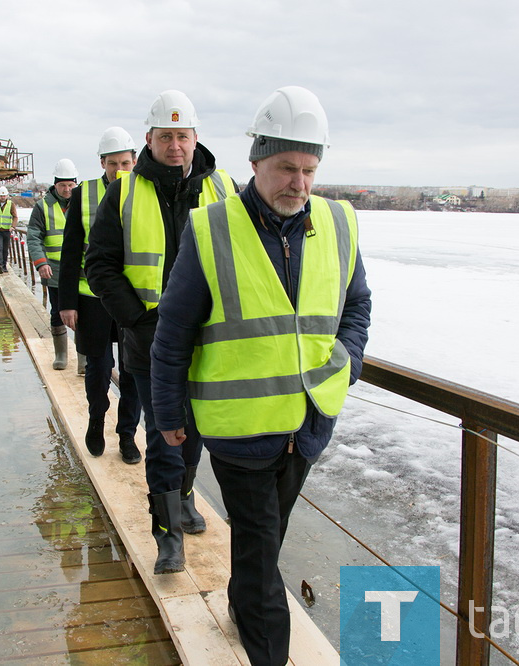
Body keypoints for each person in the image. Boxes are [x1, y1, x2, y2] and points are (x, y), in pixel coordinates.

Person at [151, 86, 372, 665]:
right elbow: (173, 333)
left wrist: (345, 364)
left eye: (308, 170)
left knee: (263, 544)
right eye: (284, 169)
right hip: (240, 428)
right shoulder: (214, 229)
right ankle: (267, 648)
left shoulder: (339, 222)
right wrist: (169, 416)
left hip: (307, 425)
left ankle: (241, 601)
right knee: (258, 547)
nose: (297, 183)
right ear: (255, 164)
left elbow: (357, 307)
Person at [85, 90, 237, 575]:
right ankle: (167, 535)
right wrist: (137, 318)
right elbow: (100, 264)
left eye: (183, 136)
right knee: (164, 438)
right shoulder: (125, 191)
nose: (175, 146)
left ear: (196, 139)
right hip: (150, 344)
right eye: (165, 137)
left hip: (209, 342)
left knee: (194, 434)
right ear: (148, 140)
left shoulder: (225, 190)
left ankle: (187, 498)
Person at [59, 127, 143, 464]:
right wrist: (66, 303)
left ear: (135, 161)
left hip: (134, 299)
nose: (120, 170)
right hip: (91, 297)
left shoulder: (145, 193)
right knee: (98, 366)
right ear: (101, 163)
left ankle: (127, 435)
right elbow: (70, 249)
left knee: (133, 369)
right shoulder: (85, 194)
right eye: (113, 164)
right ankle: (96, 421)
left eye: (125, 163)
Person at [27, 158, 78, 370]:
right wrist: (41, 263)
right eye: (62, 185)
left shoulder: (83, 203)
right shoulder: (42, 207)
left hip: (81, 270)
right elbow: (33, 236)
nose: (66, 190)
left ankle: (84, 360)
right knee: (57, 310)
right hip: (55, 270)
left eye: (70, 185)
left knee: (84, 312)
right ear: (55, 185)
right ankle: (61, 355)